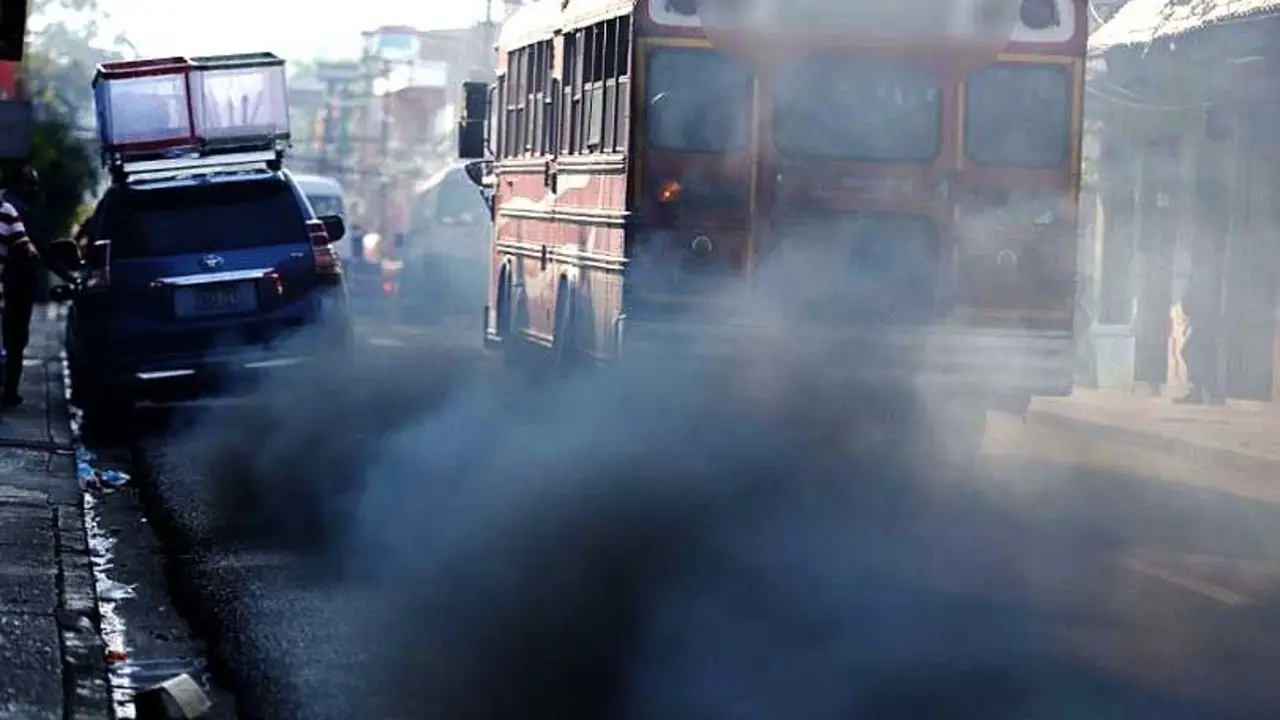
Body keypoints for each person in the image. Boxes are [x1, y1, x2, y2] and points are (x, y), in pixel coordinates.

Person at [0, 166, 75, 408]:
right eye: (32, 185)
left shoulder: (8, 206)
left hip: (10, 285)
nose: (35, 190)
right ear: (23, 186)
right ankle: (9, 390)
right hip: (15, 286)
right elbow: (37, 249)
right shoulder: (15, 212)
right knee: (14, 340)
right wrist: (67, 275)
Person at [1176, 253, 1222, 405]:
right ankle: (1203, 390)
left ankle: (1205, 390)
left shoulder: (1201, 274)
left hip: (1204, 322)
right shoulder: (1207, 273)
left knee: (1192, 352)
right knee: (1198, 354)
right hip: (1203, 321)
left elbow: (1193, 298)